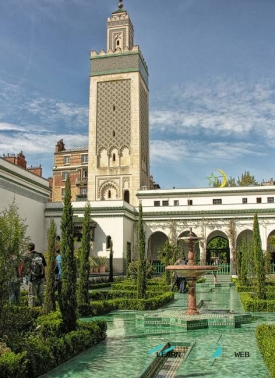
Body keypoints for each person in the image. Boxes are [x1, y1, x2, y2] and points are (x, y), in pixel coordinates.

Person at [24, 242, 47, 308]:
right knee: (41, 295)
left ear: (28, 249)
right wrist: (45, 277)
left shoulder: (27, 256)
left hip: (33, 279)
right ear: (34, 247)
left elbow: (27, 269)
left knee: (31, 295)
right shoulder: (40, 255)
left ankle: (32, 312)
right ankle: (44, 309)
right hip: (42, 278)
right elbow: (45, 266)